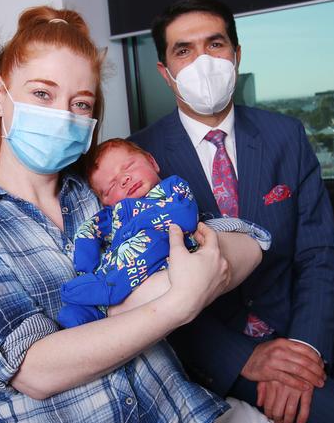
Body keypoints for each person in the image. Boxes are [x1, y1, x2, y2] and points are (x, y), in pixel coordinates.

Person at [0, 5, 264, 423]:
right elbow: (34, 371)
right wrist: (179, 300)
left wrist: (180, 278)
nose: (63, 114)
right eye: (42, 94)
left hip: (181, 422)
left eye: (80, 103)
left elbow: (245, 239)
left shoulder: (100, 195)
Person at [130, 0, 334, 423]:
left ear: (236, 55)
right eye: (183, 50)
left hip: (302, 320)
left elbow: (319, 254)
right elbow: (145, 292)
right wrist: (244, 359)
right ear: (165, 72)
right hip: (222, 345)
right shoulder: (140, 160)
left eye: (214, 45)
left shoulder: (284, 135)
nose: (202, 61)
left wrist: (306, 344)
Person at [58, 138, 271, 328]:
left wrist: (137, 222)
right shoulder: (112, 214)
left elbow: (184, 217)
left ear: (152, 162)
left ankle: (107, 290)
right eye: (111, 186)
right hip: (123, 267)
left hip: (166, 253)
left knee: (151, 240)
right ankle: (92, 308)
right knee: (90, 289)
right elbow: (87, 232)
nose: (124, 180)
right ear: (105, 201)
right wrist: (85, 270)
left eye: (129, 167)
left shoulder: (172, 189)